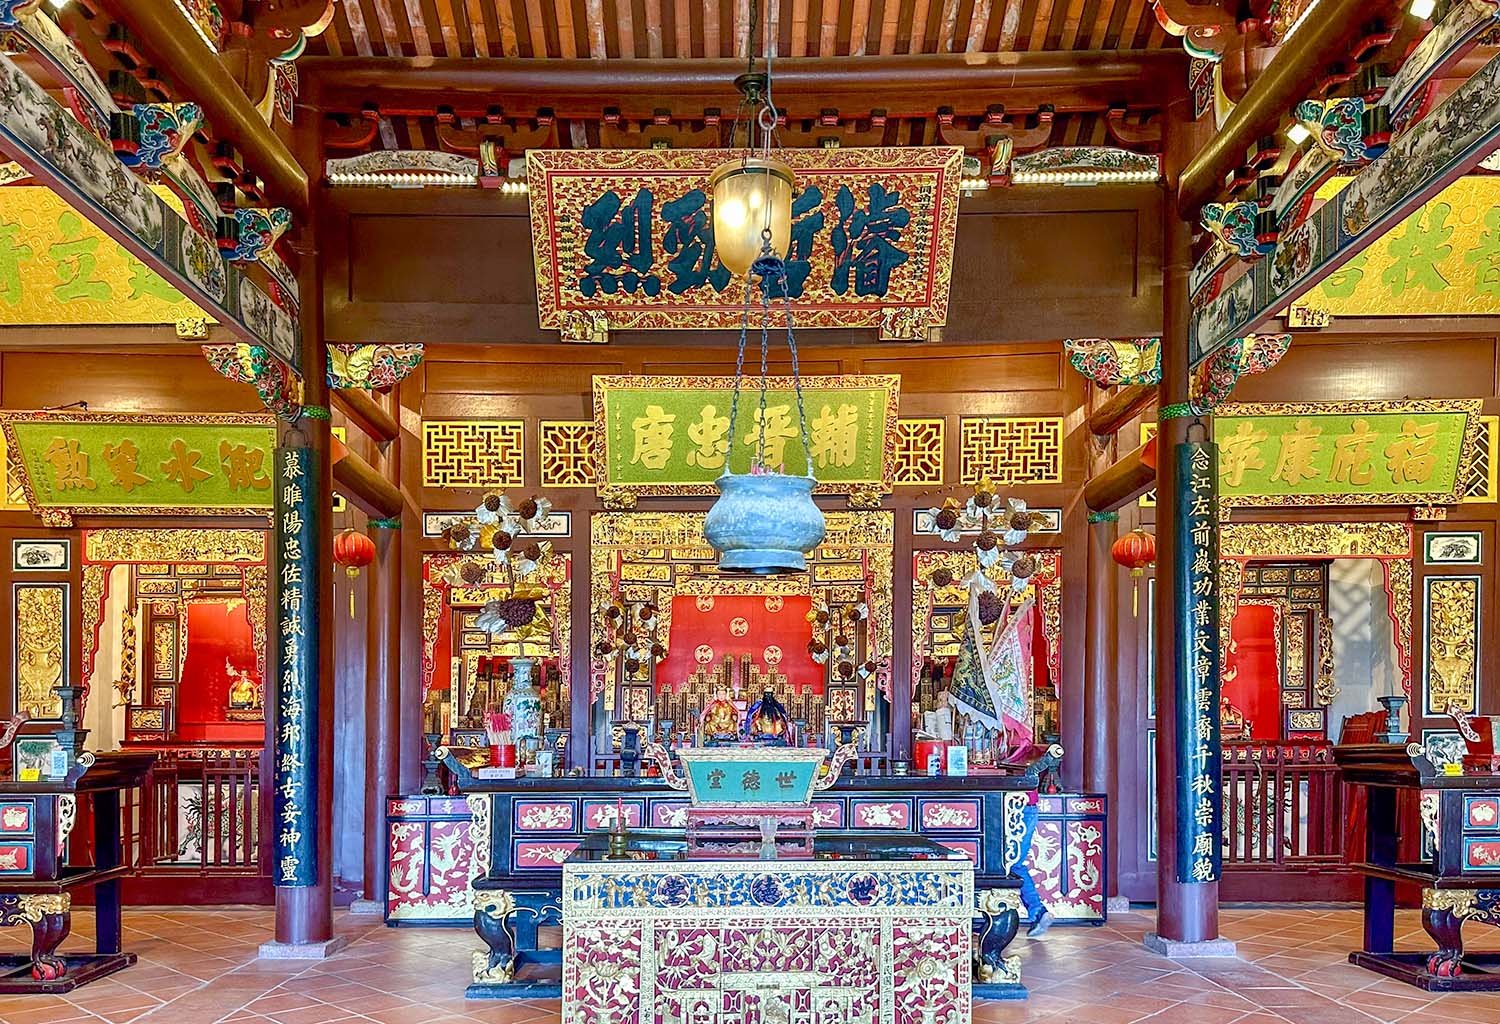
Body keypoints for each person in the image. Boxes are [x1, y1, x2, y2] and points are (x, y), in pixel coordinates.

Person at [1000, 735, 1054, 937]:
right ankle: (1037, 912)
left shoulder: (1022, 750)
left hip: (1019, 809)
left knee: (1012, 863)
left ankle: (1038, 912)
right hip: (1023, 809)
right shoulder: (1020, 751)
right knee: (1013, 863)